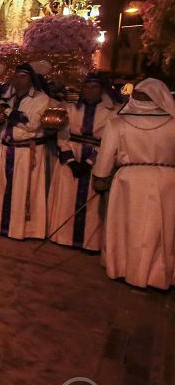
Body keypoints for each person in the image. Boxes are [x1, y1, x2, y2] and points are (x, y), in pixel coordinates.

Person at [92, 78, 175, 289]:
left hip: (130, 182)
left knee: (129, 226)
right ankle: (157, 273)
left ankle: (125, 267)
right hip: (167, 183)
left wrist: (100, 178)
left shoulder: (117, 123)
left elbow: (105, 158)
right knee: (161, 229)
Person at [46, 73, 117, 251]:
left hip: (98, 159)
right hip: (71, 156)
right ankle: (64, 237)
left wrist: (89, 161)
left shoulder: (112, 112)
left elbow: (111, 142)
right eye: (87, 87)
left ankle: (89, 242)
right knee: (67, 196)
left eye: (94, 87)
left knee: (93, 204)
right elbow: (62, 136)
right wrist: (70, 160)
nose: (90, 91)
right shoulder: (70, 109)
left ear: (101, 89)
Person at [0, 63, 52, 239]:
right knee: (2, 188)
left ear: (31, 79)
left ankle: (23, 230)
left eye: (23, 77)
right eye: (16, 76)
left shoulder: (41, 99)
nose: (18, 80)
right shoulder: (10, 99)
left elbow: (32, 125)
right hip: (7, 148)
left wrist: (7, 112)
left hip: (25, 151)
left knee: (24, 190)